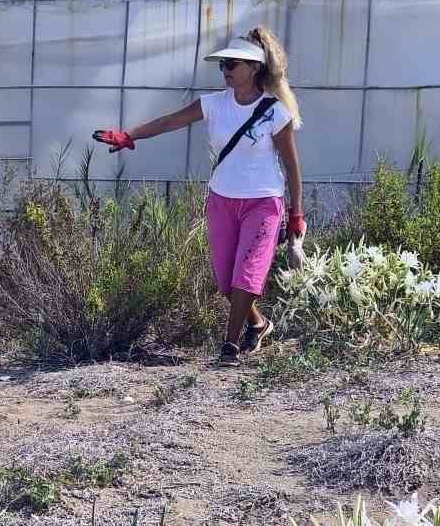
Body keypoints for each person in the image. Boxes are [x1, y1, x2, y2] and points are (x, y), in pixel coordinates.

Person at [93, 26, 303, 365]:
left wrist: (295, 216)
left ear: (253, 68)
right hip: (222, 198)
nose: (225, 71)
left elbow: (293, 168)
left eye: (232, 65)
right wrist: (128, 135)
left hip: (263, 201)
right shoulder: (214, 104)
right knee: (225, 280)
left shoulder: (275, 112)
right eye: (223, 65)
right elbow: (168, 122)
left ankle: (230, 347)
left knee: (246, 276)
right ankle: (259, 323)